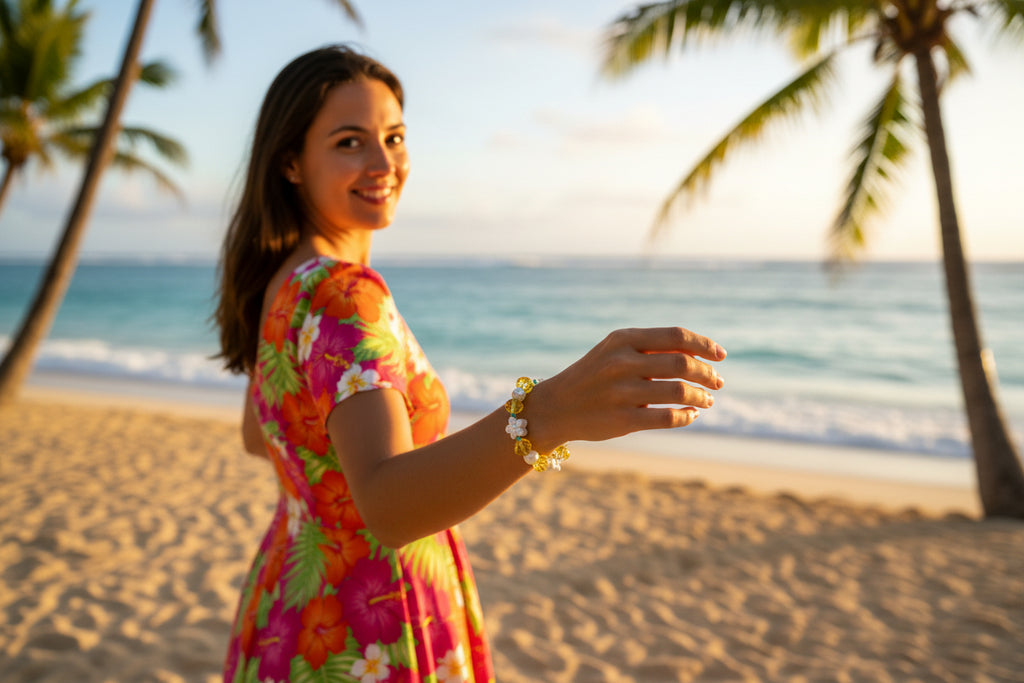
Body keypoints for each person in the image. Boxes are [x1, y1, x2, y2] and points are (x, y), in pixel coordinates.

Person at [213, 44, 726, 683]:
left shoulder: (283, 283)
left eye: (394, 137)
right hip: (369, 628)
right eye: (350, 142)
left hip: (290, 601)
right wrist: (545, 415)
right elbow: (390, 508)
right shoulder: (345, 294)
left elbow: (261, 435)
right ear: (290, 162)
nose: (383, 163)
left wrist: (330, 495)